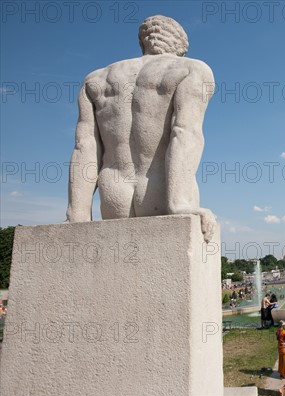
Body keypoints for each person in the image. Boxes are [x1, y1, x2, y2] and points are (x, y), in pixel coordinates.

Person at [66, 15, 216, 242]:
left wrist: (76, 215)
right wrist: (180, 204)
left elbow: (84, 147)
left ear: (142, 42)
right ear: (180, 45)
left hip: (113, 196)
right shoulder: (192, 69)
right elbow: (185, 133)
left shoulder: (96, 79)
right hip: (162, 192)